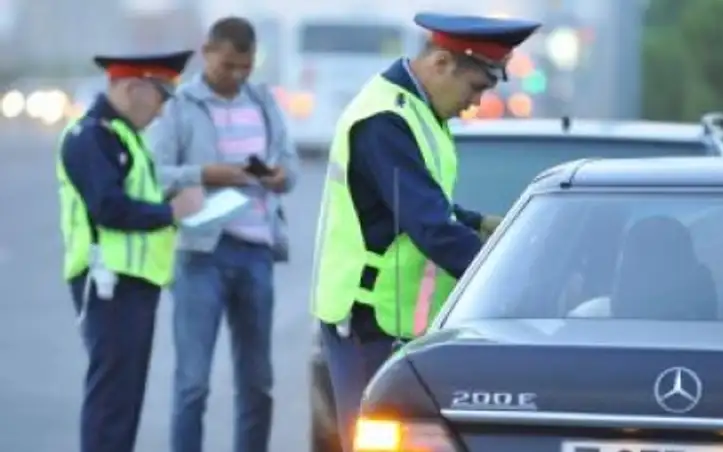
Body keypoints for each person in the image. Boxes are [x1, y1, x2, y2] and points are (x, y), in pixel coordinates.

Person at [310, 11, 541, 452]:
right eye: (476, 87)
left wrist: (485, 223)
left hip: (393, 322)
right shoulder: (386, 120)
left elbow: (423, 202)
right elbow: (431, 227)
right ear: (440, 64)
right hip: (370, 321)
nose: (475, 103)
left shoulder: (416, 111)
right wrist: (507, 284)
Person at [146, 16, 299, 452]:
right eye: (227, 65)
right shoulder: (179, 106)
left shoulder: (264, 100)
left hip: (257, 254)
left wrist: (278, 175)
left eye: (244, 67)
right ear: (207, 51)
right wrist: (206, 173)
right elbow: (155, 175)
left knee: (258, 383)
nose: (235, 75)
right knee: (192, 384)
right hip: (200, 255)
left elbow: (289, 165)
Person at [56, 50, 198, 452]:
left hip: (133, 285)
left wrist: (164, 203)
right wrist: (171, 210)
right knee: (112, 403)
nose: (161, 112)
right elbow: (109, 207)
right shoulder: (91, 136)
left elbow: (131, 199)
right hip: (109, 284)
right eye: (160, 98)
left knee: (125, 398)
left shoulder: (124, 138)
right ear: (134, 87)